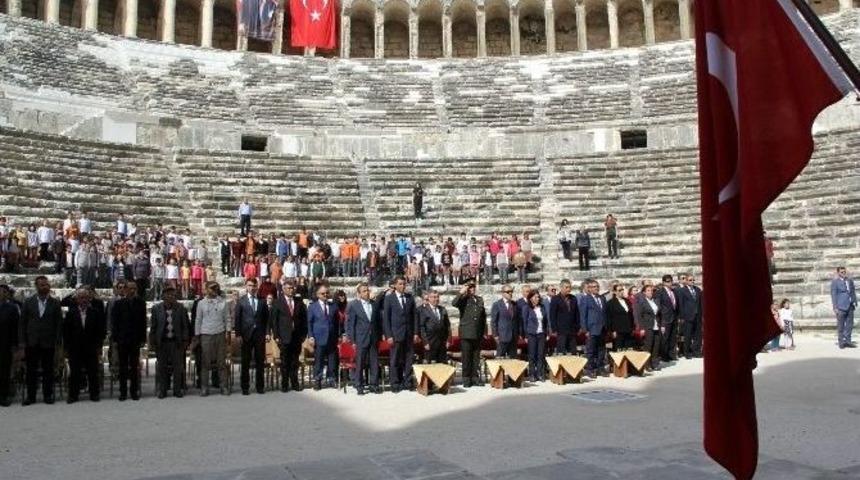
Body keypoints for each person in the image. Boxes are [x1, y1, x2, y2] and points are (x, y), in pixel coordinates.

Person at [19, 276, 62, 405]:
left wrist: (58, 341)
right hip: (32, 341)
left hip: (48, 342)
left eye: (47, 284)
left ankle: (47, 395)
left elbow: (58, 324)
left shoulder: (55, 303)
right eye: (42, 285)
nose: (45, 287)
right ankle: (31, 396)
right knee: (31, 370)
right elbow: (22, 323)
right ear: (36, 286)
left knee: (48, 369)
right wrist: (22, 342)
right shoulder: (28, 302)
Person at [63, 287, 106, 403]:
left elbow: (100, 331)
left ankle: (94, 394)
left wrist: (99, 346)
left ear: (89, 299)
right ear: (77, 299)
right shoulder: (71, 313)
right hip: (75, 347)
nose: (84, 300)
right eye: (81, 298)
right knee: (74, 372)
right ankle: (73, 395)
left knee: (93, 371)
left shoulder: (95, 312)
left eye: (86, 298)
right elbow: (66, 332)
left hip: (91, 347)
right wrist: (66, 348)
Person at [150, 287, 191, 399]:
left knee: (177, 367)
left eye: (173, 295)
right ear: (163, 296)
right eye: (168, 295)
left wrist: (185, 341)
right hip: (162, 343)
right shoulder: (156, 308)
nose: (171, 297)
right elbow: (153, 327)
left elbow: (185, 326)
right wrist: (152, 342)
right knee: (162, 367)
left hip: (176, 342)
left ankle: (177, 390)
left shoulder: (181, 308)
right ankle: (162, 390)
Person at [111, 281, 147, 401]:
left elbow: (143, 322)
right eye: (130, 288)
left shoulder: (141, 303)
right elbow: (115, 323)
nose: (132, 291)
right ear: (125, 289)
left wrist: (143, 339)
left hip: (135, 339)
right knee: (122, 367)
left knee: (134, 366)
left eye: (134, 288)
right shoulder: (118, 304)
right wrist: (115, 339)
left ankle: (134, 391)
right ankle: (123, 392)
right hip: (122, 340)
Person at [345, 282, 382, 395]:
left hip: (373, 337)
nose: (367, 293)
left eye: (367, 290)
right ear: (359, 293)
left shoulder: (374, 304)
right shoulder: (354, 305)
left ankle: (374, 384)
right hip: (361, 338)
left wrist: (380, 335)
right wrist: (352, 339)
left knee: (374, 362)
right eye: (364, 291)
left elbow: (378, 321)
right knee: (360, 362)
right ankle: (359, 385)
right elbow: (351, 324)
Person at [383, 276, 417, 392]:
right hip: (396, 334)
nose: (403, 286)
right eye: (400, 284)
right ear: (395, 285)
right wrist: (389, 335)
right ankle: (395, 383)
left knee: (409, 359)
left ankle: (407, 381)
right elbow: (386, 318)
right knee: (395, 360)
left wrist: (415, 333)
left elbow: (414, 316)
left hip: (408, 334)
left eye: (404, 284)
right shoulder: (389, 298)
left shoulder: (410, 297)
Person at [234, 278, 268, 394]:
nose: (252, 288)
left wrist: (267, 333)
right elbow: (237, 319)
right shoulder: (241, 301)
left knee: (260, 361)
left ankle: (260, 386)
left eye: (254, 286)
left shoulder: (262, 301)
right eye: (249, 285)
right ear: (246, 286)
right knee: (245, 362)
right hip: (246, 335)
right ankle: (245, 387)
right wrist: (238, 334)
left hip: (259, 335)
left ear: (257, 287)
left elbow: (266, 319)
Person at [195, 282, 230, 396]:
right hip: (206, 334)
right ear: (206, 290)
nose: (214, 290)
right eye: (211, 288)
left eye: (216, 288)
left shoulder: (223, 302)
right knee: (205, 362)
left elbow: (227, 318)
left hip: (219, 333)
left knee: (221, 362)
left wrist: (228, 332)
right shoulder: (201, 303)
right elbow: (198, 319)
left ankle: (223, 386)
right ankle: (204, 387)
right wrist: (197, 335)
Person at [452, 281, 486, 387]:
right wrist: (461, 292)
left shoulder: (479, 299)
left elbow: (483, 316)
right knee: (466, 357)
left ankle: (475, 378)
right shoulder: (463, 299)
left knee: (476, 357)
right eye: (470, 287)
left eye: (473, 287)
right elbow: (454, 303)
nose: (472, 289)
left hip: (477, 332)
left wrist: (483, 331)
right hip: (466, 332)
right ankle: (466, 379)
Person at [307, 284, 339, 390]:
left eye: (327, 293)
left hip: (332, 337)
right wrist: (311, 336)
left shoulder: (333, 306)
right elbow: (309, 323)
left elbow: (337, 322)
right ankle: (318, 380)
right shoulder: (312, 307)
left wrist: (338, 335)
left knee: (332, 359)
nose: (325, 295)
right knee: (319, 360)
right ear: (317, 294)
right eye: (323, 293)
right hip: (319, 337)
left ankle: (331, 379)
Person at [579, 279, 607, 377]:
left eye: (597, 286)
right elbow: (583, 315)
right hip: (591, 328)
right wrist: (585, 329)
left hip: (602, 328)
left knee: (601, 349)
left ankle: (600, 368)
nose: (596, 288)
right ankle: (590, 369)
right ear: (589, 289)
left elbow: (604, 313)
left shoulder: (602, 298)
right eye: (594, 287)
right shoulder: (585, 299)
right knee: (590, 350)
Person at [416, 289, 450, 364]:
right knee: (429, 364)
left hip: (441, 342)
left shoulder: (442, 309)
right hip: (430, 341)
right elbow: (422, 327)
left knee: (442, 364)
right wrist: (425, 342)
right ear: (429, 298)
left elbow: (447, 325)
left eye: (437, 297)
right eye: (434, 297)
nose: (436, 299)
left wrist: (448, 340)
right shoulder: (424, 310)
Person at [549, 279, 580, 355]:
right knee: (561, 353)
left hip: (572, 330)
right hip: (561, 331)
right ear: (561, 288)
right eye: (566, 287)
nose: (569, 289)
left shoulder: (573, 298)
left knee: (573, 352)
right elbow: (552, 315)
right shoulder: (555, 299)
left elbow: (577, 313)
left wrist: (578, 327)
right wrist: (554, 329)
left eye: (570, 287)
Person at [523, 289, 549, 382]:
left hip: (541, 333)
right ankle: (532, 374)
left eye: (538, 297)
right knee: (532, 355)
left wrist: (547, 333)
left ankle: (540, 374)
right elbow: (524, 322)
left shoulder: (542, 307)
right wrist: (526, 336)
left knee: (540, 354)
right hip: (531, 334)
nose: (537, 298)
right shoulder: (526, 308)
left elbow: (546, 321)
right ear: (530, 298)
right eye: (535, 297)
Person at [0, 284, 19, 406]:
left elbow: (15, 327)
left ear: (7, 294)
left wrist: (15, 344)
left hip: (5, 344)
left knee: (4, 371)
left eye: (3, 291)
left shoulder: (12, 308)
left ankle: (3, 395)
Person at [637, 285, 663, 371]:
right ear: (644, 292)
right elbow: (639, 316)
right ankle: (647, 365)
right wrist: (642, 328)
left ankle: (654, 363)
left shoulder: (656, 300)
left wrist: (662, 325)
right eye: (648, 290)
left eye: (651, 290)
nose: (650, 292)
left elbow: (660, 314)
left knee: (656, 346)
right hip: (648, 326)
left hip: (657, 325)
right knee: (648, 346)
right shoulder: (642, 302)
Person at [830, 266, 857, 349]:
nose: (844, 273)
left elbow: (852, 291)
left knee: (850, 325)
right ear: (838, 273)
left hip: (850, 305)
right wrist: (835, 307)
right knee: (841, 325)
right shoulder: (835, 282)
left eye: (844, 272)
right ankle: (841, 342)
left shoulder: (849, 280)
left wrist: (855, 301)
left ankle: (848, 341)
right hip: (841, 306)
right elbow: (834, 295)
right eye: (842, 272)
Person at [677, 274, 703, 358]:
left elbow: (700, 303)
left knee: (698, 335)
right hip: (687, 316)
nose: (692, 281)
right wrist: (681, 317)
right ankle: (687, 352)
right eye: (690, 280)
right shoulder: (682, 291)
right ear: (686, 281)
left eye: (693, 280)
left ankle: (696, 351)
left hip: (697, 316)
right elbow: (681, 304)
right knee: (687, 335)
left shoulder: (697, 290)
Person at [490, 285, 520, 358]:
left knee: (513, 358)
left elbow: (517, 320)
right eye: (508, 292)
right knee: (500, 358)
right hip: (502, 336)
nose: (510, 293)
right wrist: (495, 335)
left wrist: (518, 333)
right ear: (503, 293)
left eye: (511, 291)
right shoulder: (497, 305)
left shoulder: (514, 304)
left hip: (513, 337)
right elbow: (494, 321)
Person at [656, 274, 679, 361]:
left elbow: (676, 305)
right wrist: (662, 320)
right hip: (665, 319)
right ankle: (664, 356)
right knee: (665, 338)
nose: (670, 283)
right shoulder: (660, 292)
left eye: (671, 281)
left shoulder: (674, 291)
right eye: (668, 281)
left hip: (674, 318)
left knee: (673, 337)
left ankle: (672, 354)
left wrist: (678, 316)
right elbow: (659, 306)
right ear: (663, 282)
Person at [606, 283, 634, 351]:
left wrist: (632, 328)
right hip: (618, 330)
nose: (621, 292)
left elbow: (630, 315)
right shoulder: (611, 303)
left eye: (622, 290)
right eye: (619, 290)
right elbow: (609, 318)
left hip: (628, 329)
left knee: (628, 349)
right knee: (618, 350)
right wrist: (612, 331)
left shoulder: (627, 301)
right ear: (615, 292)